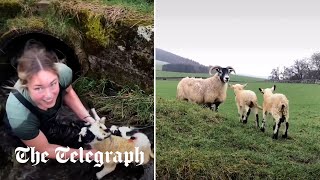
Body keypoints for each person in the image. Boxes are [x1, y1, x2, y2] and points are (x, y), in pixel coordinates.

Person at [4, 39, 97, 159]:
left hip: (43, 118)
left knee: (85, 132)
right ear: (26, 86)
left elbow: (68, 92)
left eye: (53, 84)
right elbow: (45, 149)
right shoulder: (20, 117)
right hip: (24, 129)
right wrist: (90, 155)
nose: (49, 95)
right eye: (38, 88)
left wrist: (90, 121)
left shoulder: (63, 73)